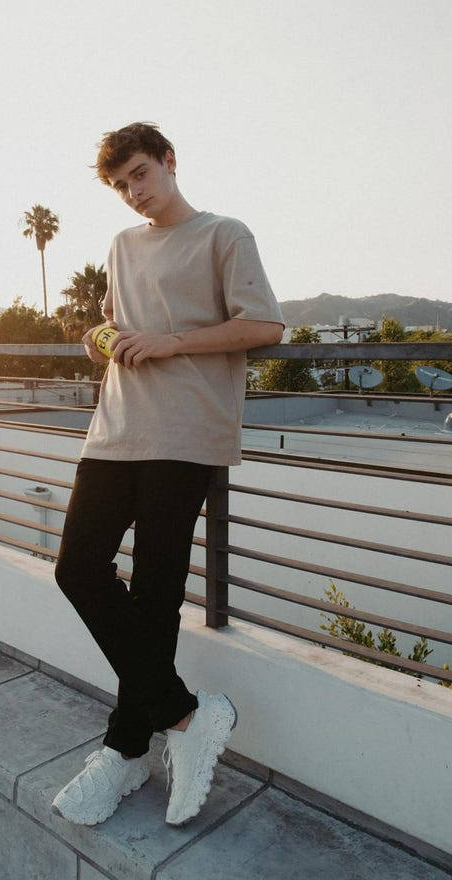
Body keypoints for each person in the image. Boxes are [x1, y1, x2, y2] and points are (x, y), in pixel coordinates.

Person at [52, 122, 284, 827]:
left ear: (170, 162)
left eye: (140, 175)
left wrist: (172, 342)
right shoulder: (123, 246)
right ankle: (184, 716)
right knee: (77, 568)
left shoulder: (224, 235)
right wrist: (104, 339)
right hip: (116, 430)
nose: (132, 194)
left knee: (155, 597)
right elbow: (120, 328)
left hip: (185, 432)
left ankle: (125, 752)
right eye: (121, 185)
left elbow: (265, 325)